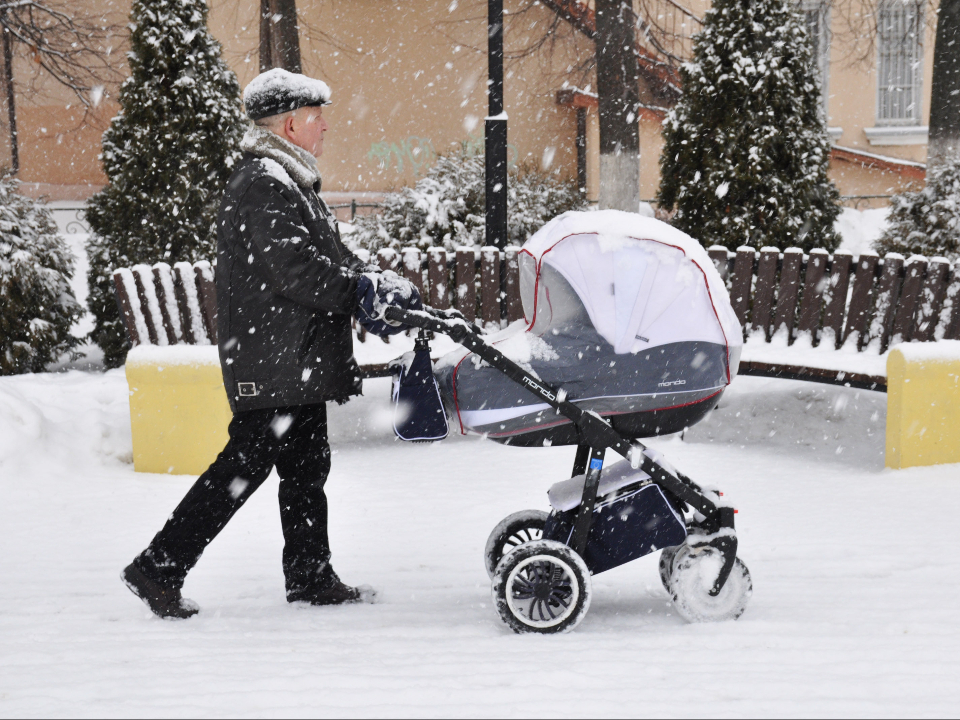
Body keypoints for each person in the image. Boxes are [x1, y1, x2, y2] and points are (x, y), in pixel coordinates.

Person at [121, 68, 420, 619]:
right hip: (276, 358)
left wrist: (371, 280)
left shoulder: (288, 179)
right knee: (244, 464)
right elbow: (296, 271)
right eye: (316, 116)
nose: (325, 126)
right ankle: (160, 565)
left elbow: (324, 259)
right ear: (289, 123)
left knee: (308, 467)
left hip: (293, 357)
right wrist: (356, 290)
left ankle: (310, 575)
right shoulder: (264, 180)